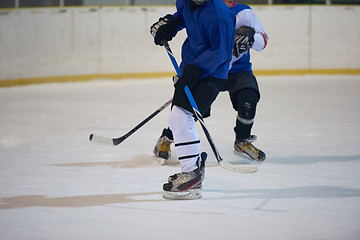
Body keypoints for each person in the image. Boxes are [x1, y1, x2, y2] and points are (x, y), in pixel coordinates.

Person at [153, 0, 268, 164]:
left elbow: (263, 39)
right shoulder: (206, 8)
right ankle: (168, 137)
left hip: (236, 69)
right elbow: (185, 17)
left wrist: (250, 40)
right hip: (206, 68)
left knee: (248, 96)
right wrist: (172, 24)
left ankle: (242, 140)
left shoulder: (243, 12)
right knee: (188, 110)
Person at [150, 0, 236, 199]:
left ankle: (192, 175)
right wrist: (171, 25)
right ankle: (193, 170)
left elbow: (221, 51)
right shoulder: (186, 2)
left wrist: (196, 68)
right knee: (177, 119)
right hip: (191, 68)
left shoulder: (219, 14)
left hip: (212, 73)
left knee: (181, 117)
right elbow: (184, 16)